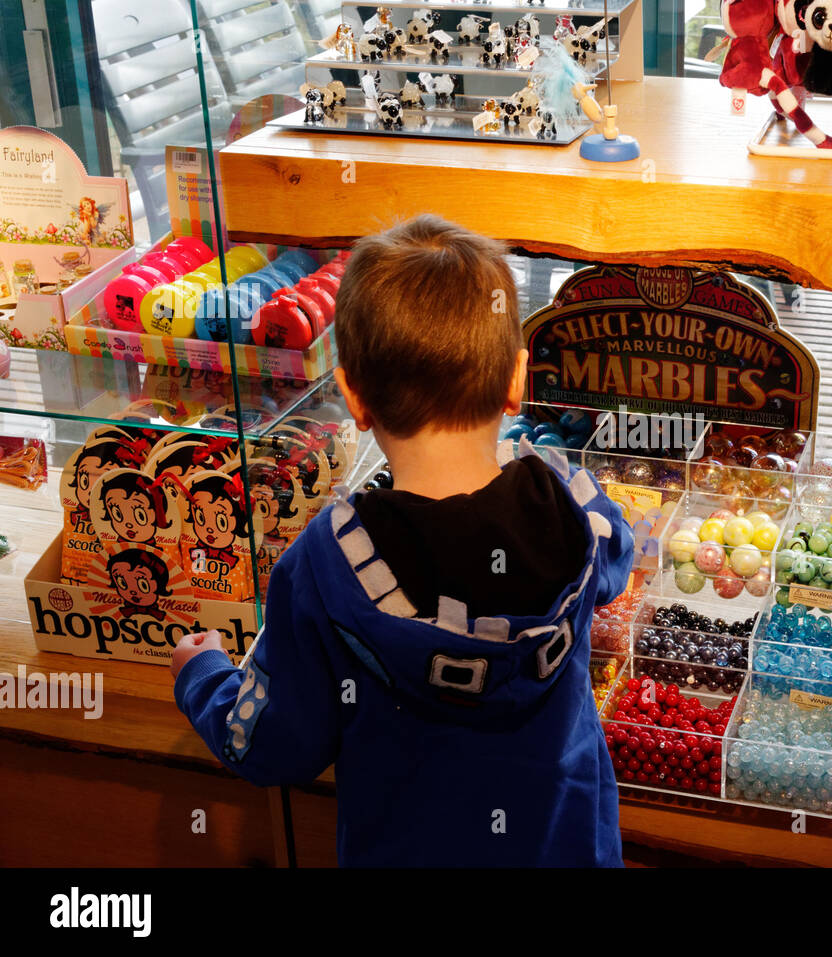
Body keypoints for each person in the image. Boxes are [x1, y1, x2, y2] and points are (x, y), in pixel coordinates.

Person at [171, 216, 634, 866]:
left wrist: (202, 677)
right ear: (516, 381)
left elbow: (275, 746)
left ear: (353, 398)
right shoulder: (576, 505)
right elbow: (617, 561)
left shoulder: (326, 564)